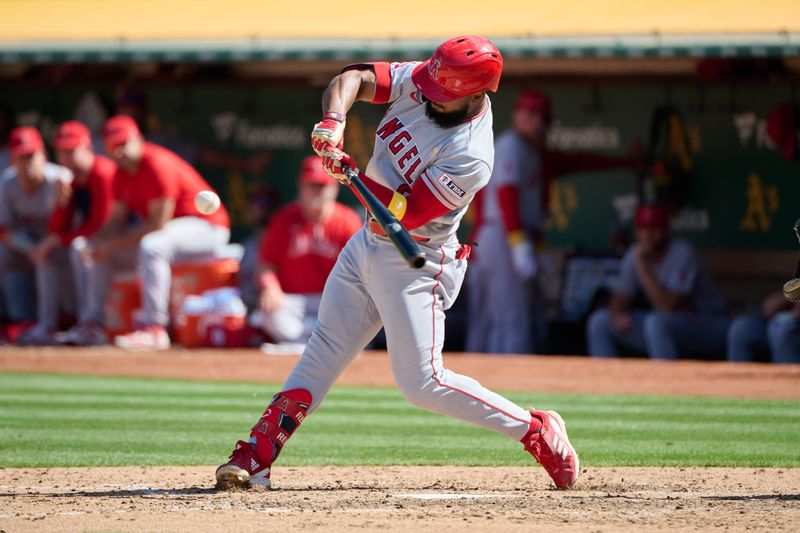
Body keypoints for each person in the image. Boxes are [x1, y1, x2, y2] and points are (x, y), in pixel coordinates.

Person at [216, 35, 579, 491]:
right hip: (366, 245)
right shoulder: (426, 79)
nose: (427, 93)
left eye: (442, 94)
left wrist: (350, 174)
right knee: (323, 349)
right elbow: (352, 77)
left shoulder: (472, 155)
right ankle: (258, 453)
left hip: (417, 260)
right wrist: (334, 119)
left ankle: (536, 429)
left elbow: (405, 215)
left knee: (422, 383)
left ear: (473, 96)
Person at [466, 90, 640, 355]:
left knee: (501, 320)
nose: (533, 122)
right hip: (503, 234)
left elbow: (576, 162)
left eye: (538, 117)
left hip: (508, 236)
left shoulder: (532, 152)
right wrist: (519, 243)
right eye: (527, 115)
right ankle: (511, 384)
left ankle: (490, 383)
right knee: (512, 319)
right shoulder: (511, 145)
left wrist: (627, 162)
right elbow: (506, 194)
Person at [65, 115, 231, 349]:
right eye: (113, 145)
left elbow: (157, 223)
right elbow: (116, 221)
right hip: (171, 235)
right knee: (95, 252)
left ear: (138, 139)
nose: (120, 150)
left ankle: (155, 328)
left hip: (207, 228)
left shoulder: (157, 163)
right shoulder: (120, 174)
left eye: (124, 142)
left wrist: (111, 245)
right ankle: (93, 324)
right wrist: (97, 244)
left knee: (152, 245)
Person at [586, 203, 727, 359]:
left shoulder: (682, 253)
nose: (648, 235)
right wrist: (618, 313)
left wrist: (644, 268)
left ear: (667, 230)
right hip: (663, 328)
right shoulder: (635, 254)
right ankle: (607, 381)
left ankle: (665, 381)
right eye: (643, 229)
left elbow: (667, 307)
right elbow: (620, 297)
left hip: (707, 324)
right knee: (599, 321)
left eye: (654, 229)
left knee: (656, 322)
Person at [251, 155, 361, 347]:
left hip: (331, 301)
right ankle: (312, 342)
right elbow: (266, 265)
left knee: (359, 309)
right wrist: (270, 287)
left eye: (322, 186)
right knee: (267, 312)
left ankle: (312, 341)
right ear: (301, 186)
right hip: (293, 303)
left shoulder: (347, 221)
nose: (316, 192)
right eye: (311, 185)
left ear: (334, 188)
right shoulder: (283, 220)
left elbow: (362, 269)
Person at [29, 121, 116, 346]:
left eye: (71, 150)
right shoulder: (73, 180)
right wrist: (62, 203)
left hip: (120, 240)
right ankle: (47, 325)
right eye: (62, 151)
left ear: (87, 148)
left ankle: (92, 323)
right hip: (98, 244)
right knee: (48, 254)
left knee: (80, 246)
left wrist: (56, 239)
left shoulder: (103, 172)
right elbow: (56, 230)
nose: (66, 157)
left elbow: (101, 224)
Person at [0, 126, 74, 344]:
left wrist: (64, 207)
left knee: (56, 254)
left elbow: (77, 226)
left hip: (59, 246)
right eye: (21, 157)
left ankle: (72, 317)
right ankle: (20, 319)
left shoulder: (61, 179)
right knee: (2, 254)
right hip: (26, 247)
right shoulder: (5, 184)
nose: (27, 162)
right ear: (12, 159)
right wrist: (30, 248)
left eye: (31, 156)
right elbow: (4, 230)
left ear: (43, 155)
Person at [727, 290, 800, 363]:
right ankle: (740, 373)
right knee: (741, 328)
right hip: (771, 327)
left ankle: (788, 374)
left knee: (781, 325)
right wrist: (790, 295)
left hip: (788, 330)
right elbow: (767, 309)